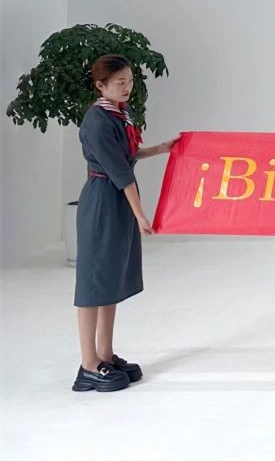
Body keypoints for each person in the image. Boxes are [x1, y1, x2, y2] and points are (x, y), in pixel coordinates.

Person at [72, 54, 174, 392]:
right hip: (103, 200)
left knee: (109, 280)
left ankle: (106, 354)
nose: (127, 87)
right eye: (119, 82)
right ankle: (88, 365)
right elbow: (120, 172)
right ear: (100, 85)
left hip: (116, 199)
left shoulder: (118, 112)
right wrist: (141, 215)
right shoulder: (97, 121)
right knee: (93, 283)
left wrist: (161, 148)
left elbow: (127, 155)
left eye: (129, 81)